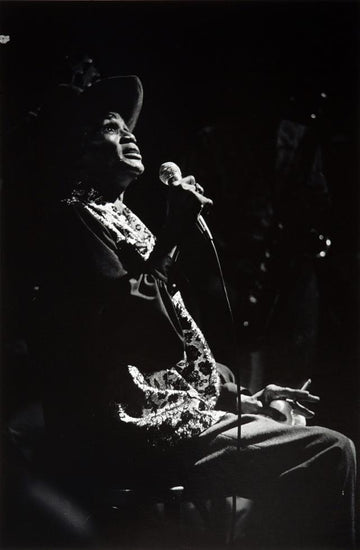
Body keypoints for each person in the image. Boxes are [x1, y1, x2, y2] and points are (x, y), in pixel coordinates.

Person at [28, 74, 355, 548]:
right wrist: (173, 234)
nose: (129, 135)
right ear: (76, 150)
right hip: (128, 432)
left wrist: (241, 396)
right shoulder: (72, 220)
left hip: (167, 416)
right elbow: (133, 334)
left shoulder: (116, 215)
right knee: (330, 453)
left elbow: (168, 348)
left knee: (294, 424)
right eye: (109, 127)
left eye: (127, 126)